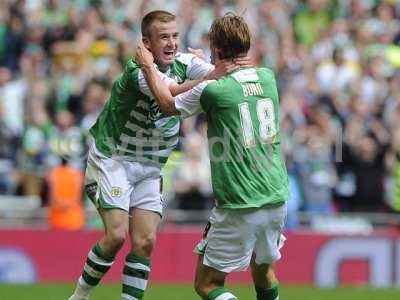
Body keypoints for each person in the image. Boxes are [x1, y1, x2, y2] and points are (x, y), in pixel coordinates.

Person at [68, 10, 249, 300]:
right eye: (163, 37)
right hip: (114, 160)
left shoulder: (186, 63)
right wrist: (213, 73)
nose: (172, 42)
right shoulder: (138, 70)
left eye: (175, 36)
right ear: (147, 44)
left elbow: (222, 79)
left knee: (145, 242)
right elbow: (169, 95)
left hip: (150, 167)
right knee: (116, 236)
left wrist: (222, 63)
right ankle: (79, 297)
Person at [136, 13, 289, 300]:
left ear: (216, 48)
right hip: (276, 196)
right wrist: (208, 65)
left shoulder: (213, 90)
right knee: (264, 272)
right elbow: (235, 76)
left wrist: (147, 66)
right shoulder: (268, 78)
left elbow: (168, 104)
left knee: (207, 284)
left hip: (239, 201)